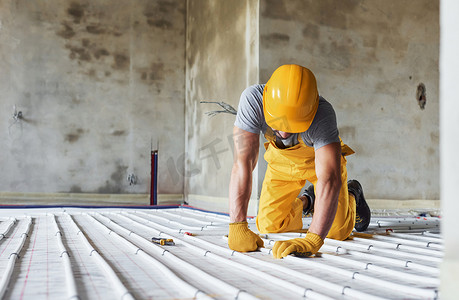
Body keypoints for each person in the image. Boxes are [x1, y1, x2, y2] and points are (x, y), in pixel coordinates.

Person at [227, 64, 371, 259]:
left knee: (337, 231)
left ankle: (352, 193)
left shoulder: (323, 114)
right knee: (269, 225)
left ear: (310, 109)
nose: (284, 133)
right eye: (278, 124)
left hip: (318, 164)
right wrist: (237, 225)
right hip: (281, 163)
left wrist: (313, 239)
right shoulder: (252, 100)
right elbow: (243, 163)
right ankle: (308, 201)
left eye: (293, 126)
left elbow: (329, 178)